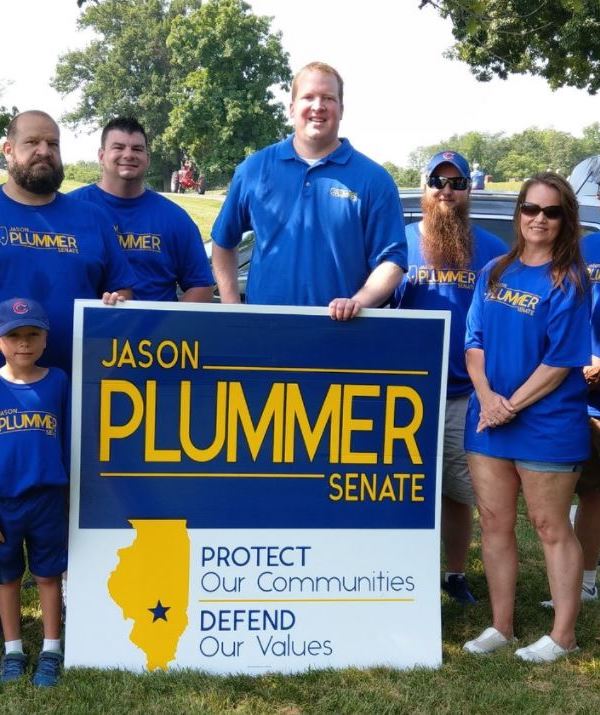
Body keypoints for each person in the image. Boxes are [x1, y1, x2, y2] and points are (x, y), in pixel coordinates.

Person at [463, 172, 590, 663]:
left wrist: (508, 406)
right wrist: (487, 397)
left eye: (551, 212)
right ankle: (502, 626)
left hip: (546, 423)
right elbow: (473, 342)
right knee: (493, 523)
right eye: (531, 209)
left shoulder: (569, 281)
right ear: (519, 213)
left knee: (549, 525)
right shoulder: (495, 270)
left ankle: (563, 635)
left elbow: (560, 362)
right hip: (488, 418)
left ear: (565, 220)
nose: (539, 219)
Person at [211, 61, 407, 319]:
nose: (318, 106)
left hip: (341, 336)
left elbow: (391, 262)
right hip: (265, 336)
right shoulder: (254, 170)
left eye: (328, 98)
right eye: (308, 97)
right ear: (292, 109)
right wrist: (231, 306)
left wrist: (357, 302)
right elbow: (223, 241)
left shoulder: (374, 179)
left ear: (341, 109)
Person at [396, 150, 506, 604]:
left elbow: (504, 324)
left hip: (465, 393)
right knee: (401, 487)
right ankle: (400, 573)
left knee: (459, 493)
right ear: (424, 188)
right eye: (437, 181)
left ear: (468, 191)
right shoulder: (398, 243)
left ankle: (455, 573)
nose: (447, 190)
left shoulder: (494, 251)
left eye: (457, 182)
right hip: (405, 394)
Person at [0, 111, 135, 373]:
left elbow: (123, 290)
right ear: (8, 150)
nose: (44, 151)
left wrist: (116, 303)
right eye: (32, 142)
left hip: (82, 382)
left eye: (53, 144)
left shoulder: (92, 217)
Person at [0, 298, 69, 687]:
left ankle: (51, 648)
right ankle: (13, 651)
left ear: (45, 340)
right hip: (4, 502)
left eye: (32, 335)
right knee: (7, 579)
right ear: (0, 341)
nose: (23, 343)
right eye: (13, 335)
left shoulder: (58, 380)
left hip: (46, 499)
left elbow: (70, 440)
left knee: (47, 575)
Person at [70, 117, 213, 302]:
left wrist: (170, 328)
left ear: (147, 158)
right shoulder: (72, 208)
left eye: (137, 149)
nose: (129, 155)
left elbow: (200, 285)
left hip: (157, 329)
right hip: (84, 329)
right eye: (118, 147)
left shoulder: (175, 218)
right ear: (101, 155)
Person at [539, 231, 600, 608]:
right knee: (553, 502)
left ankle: (588, 582)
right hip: (563, 394)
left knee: (595, 495)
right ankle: (570, 580)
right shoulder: (579, 246)